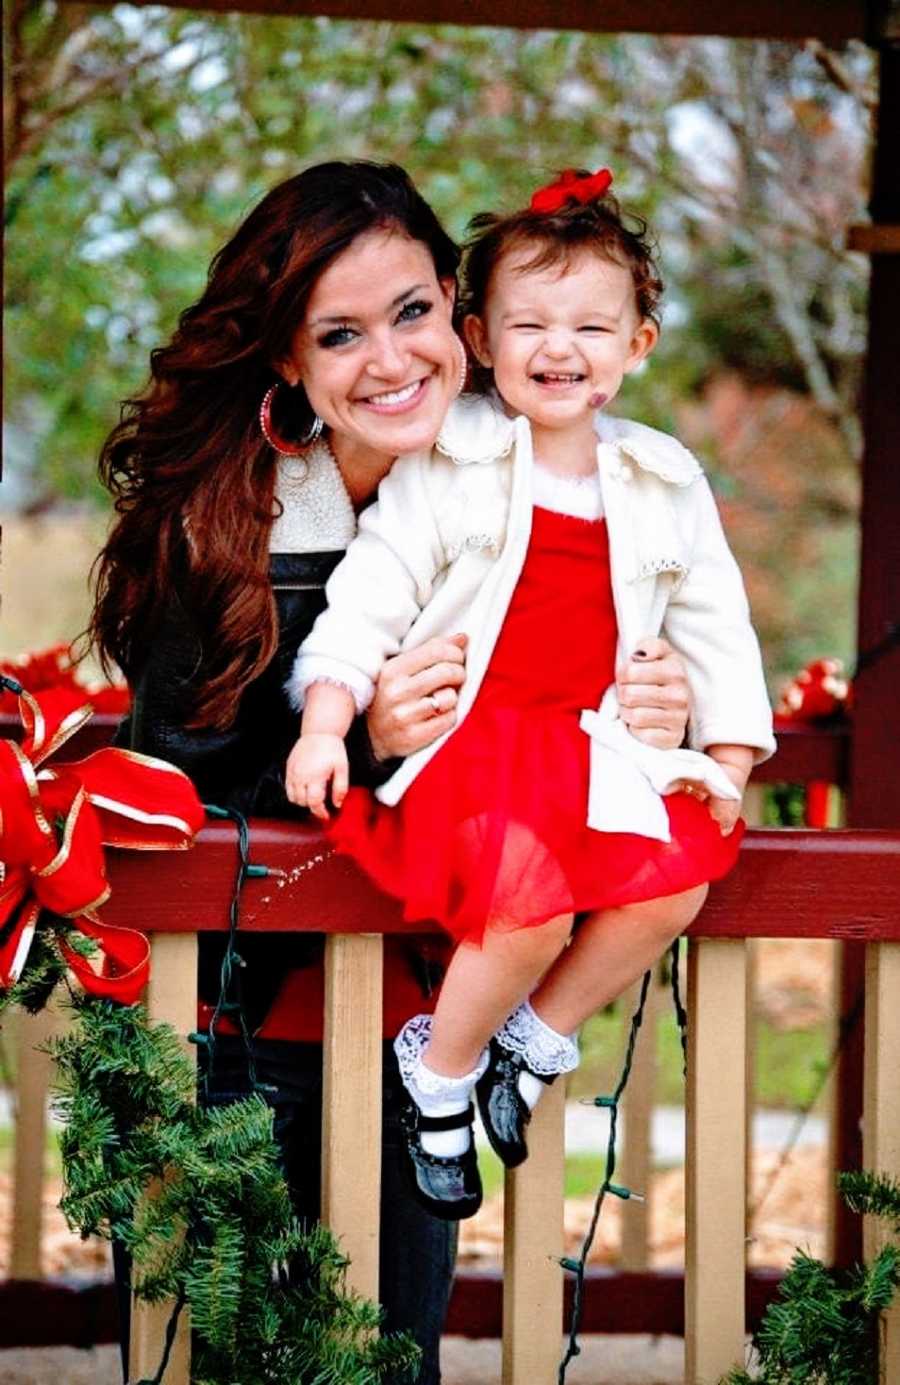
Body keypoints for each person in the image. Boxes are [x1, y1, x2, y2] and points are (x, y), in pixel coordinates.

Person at [89, 160, 691, 1379]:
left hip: (422, 1005)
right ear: (288, 361)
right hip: (233, 1022)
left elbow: (594, 665)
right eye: (341, 332)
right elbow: (174, 798)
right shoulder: (226, 525)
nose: (393, 359)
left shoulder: (530, 479)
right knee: (222, 1351)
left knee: (385, 1355)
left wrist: (656, 696)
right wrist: (360, 742)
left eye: (415, 311)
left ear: (462, 313)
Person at [285, 167, 775, 1222]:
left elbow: (715, 625)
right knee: (528, 903)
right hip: (479, 745)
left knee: (674, 882)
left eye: (593, 326)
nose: (560, 349)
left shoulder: (662, 477)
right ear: (478, 336)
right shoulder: (451, 461)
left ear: (638, 344)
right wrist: (328, 716)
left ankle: (535, 1037)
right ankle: (442, 1073)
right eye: (529, 325)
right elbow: (369, 596)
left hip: (597, 745)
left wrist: (726, 759)